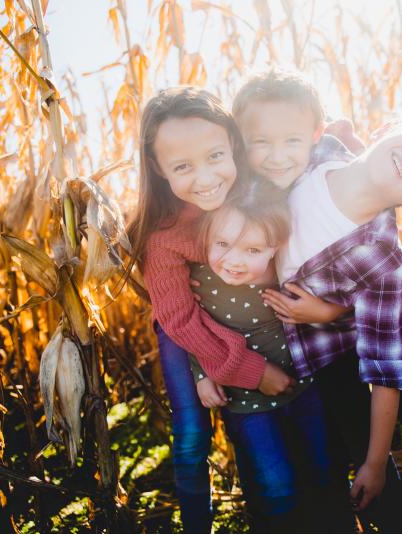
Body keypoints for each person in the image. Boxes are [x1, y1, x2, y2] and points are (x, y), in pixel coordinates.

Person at [259, 109, 402, 532]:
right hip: (328, 353)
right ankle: (401, 516)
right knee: (355, 436)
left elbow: (386, 372)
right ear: (387, 127)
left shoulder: (385, 261)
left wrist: (375, 463)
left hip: (380, 337)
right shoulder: (317, 153)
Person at [125, 86, 293, 534]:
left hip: (247, 323)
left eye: (215, 156)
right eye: (183, 167)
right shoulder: (163, 236)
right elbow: (179, 320)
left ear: (233, 146)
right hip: (184, 329)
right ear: (159, 171)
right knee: (193, 435)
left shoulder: (258, 198)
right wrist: (237, 369)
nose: (205, 178)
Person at [188, 179, 353, 533]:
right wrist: (202, 373)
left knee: (325, 470)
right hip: (245, 402)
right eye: (222, 244)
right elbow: (193, 330)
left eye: (252, 250)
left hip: (306, 388)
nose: (232, 261)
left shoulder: (288, 272)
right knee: (274, 487)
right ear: (207, 237)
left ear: (275, 248)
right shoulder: (200, 280)